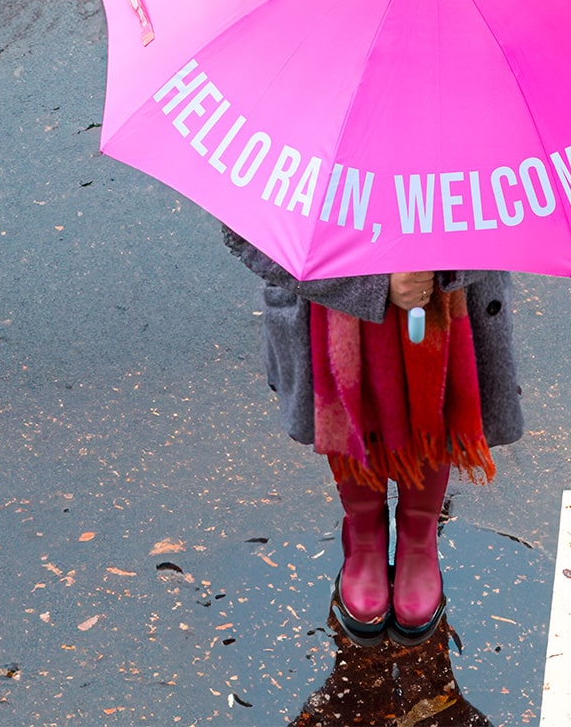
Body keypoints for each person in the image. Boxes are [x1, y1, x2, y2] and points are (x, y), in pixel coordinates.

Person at [222, 226, 524, 647]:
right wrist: (371, 286)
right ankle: (365, 534)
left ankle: (418, 538)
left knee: (433, 409)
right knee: (354, 410)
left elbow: (511, 224)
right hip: (333, 307)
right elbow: (254, 235)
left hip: (446, 312)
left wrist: (440, 270)